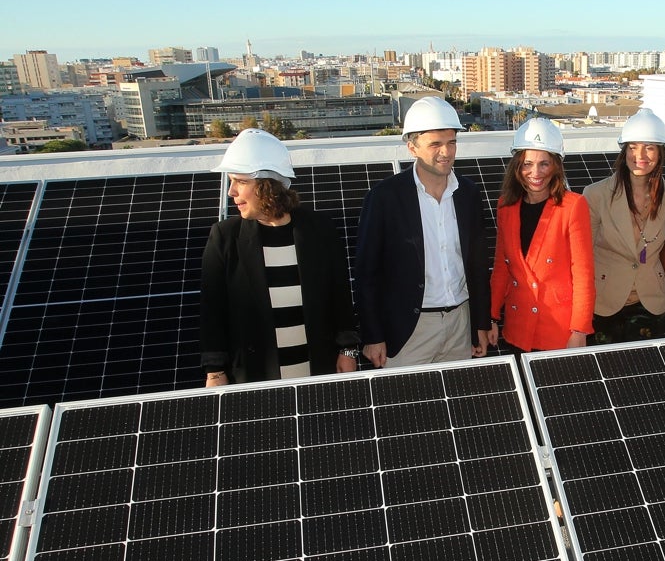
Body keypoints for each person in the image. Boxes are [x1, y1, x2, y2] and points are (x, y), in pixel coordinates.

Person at [201, 128, 359, 386]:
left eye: (240, 181)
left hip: (318, 371)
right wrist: (215, 372)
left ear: (267, 186)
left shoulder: (320, 229)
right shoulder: (225, 237)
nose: (231, 192)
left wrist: (348, 351)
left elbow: (340, 297)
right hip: (257, 378)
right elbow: (212, 312)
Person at [354, 96, 491, 367]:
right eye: (435, 144)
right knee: (407, 407)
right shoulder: (385, 197)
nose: (446, 152)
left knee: (456, 403)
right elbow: (366, 273)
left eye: (452, 142)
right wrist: (373, 335)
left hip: (460, 327)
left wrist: (481, 323)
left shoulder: (468, 193)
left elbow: (477, 265)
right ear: (412, 147)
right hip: (409, 330)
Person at [489, 118, 595, 352]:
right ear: (517, 165)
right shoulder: (505, 206)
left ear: (556, 165)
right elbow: (501, 268)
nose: (535, 172)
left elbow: (583, 274)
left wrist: (579, 331)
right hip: (517, 328)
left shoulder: (573, 206)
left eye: (544, 164)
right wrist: (492, 317)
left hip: (557, 332)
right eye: (527, 164)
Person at [583, 109, 665, 344]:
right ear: (624, 150)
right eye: (633, 146)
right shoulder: (595, 195)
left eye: (649, 147)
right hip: (604, 302)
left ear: (660, 152)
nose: (640, 155)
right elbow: (582, 255)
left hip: (651, 303)